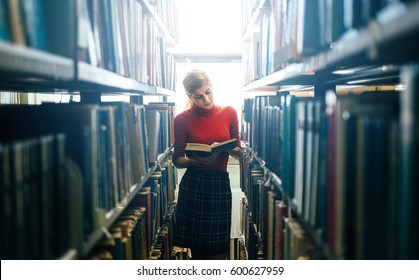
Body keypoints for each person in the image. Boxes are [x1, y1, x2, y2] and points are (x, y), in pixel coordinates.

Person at [172, 69, 241, 260]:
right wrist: (196, 161)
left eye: (208, 92)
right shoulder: (182, 119)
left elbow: (237, 151)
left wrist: (225, 149)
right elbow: (177, 160)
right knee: (199, 251)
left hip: (219, 183)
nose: (206, 99)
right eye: (199, 96)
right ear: (190, 96)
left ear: (212, 87)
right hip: (195, 185)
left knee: (220, 250)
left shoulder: (229, 112)